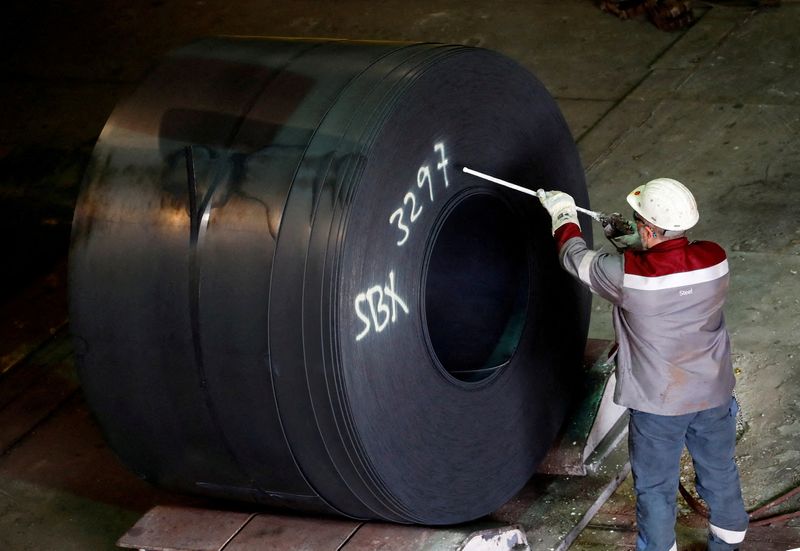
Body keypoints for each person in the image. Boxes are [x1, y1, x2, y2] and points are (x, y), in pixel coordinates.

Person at [537, 178, 749, 551]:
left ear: (650, 229)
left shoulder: (627, 278)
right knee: (720, 472)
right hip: (714, 392)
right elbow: (665, 267)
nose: (635, 227)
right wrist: (630, 241)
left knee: (655, 487)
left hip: (659, 403)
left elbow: (575, 257)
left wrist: (563, 214)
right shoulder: (715, 258)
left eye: (638, 223)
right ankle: (729, 542)